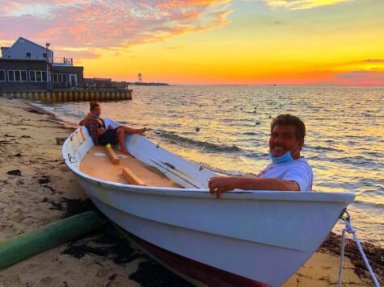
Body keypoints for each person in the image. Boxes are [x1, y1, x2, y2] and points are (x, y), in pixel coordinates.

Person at [208, 114, 313, 199]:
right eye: (274, 135)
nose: (277, 141)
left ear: (300, 143)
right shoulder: (278, 164)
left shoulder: (300, 168)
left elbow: (291, 187)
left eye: (286, 137)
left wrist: (235, 182)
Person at [79, 101, 146, 156]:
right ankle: (135, 134)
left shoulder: (100, 119)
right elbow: (81, 124)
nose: (99, 111)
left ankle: (136, 132)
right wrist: (88, 117)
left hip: (105, 137)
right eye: (97, 110)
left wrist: (108, 129)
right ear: (92, 111)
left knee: (121, 130)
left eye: (100, 110)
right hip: (101, 141)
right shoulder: (91, 120)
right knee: (121, 129)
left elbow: (103, 131)